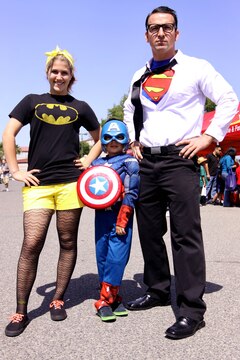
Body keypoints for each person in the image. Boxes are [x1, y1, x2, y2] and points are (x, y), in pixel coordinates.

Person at [123, 6, 239, 339]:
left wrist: (209, 136)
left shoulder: (196, 67)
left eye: (167, 27)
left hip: (179, 159)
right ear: (146, 35)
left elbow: (228, 99)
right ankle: (158, 290)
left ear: (177, 32)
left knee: (184, 235)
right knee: (148, 229)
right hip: (147, 162)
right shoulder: (138, 75)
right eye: (154, 28)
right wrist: (133, 140)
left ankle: (191, 310)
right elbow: (131, 110)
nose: (160, 33)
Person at [2, 46, 101, 337]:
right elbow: (9, 134)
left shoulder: (80, 106)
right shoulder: (32, 101)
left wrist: (88, 159)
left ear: (72, 77)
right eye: (55, 72)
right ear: (47, 74)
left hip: (71, 182)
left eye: (65, 72)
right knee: (31, 244)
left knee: (67, 241)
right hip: (39, 185)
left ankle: (58, 299)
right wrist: (16, 170)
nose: (59, 76)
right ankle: (21, 310)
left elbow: (99, 136)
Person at [90, 119, 139, 322]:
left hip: (121, 215)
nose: (113, 142)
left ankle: (103, 300)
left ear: (125, 139)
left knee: (117, 257)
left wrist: (123, 219)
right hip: (101, 215)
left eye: (118, 137)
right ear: (102, 140)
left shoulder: (130, 162)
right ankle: (113, 296)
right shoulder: (96, 163)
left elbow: (132, 192)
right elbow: (88, 187)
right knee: (102, 255)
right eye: (108, 138)